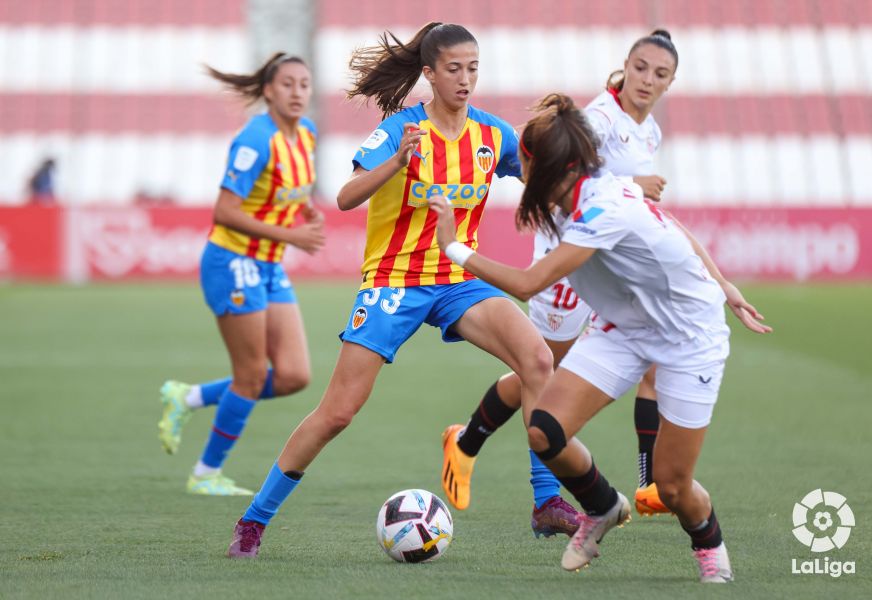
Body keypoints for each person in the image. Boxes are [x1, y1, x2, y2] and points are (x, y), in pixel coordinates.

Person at [225, 23, 553, 558]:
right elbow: (346, 196)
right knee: (338, 413)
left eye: (473, 68)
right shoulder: (399, 130)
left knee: (537, 360)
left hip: (457, 279)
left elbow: (544, 179)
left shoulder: (492, 135)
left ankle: (546, 500)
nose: (465, 78)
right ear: (429, 73)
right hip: (394, 282)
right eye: (453, 68)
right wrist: (398, 162)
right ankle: (254, 520)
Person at [429, 93, 772, 582]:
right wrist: (724, 282)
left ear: (549, 168)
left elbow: (528, 284)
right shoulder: (582, 192)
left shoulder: (601, 211)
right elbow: (670, 225)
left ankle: (708, 542)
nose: (519, 170)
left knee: (672, 487)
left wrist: (452, 247)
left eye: (524, 162)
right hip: (624, 327)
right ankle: (602, 506)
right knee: (545, 431)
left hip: (689, 338)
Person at [442, 29, 678, 525]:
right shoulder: (598, 120)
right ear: (626, 65)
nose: (646, 80)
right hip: (565, 260)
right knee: (541, 368)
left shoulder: (650, 130)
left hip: (610, 261)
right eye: (640, 68)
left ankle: (649, 484)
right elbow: (557, 173)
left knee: (654, 354)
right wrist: (634, 184)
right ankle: (468, 442)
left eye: (660, 74)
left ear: (670, 82)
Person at [157, 53, 326, 496]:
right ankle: (205, 473)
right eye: (287, 84)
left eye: (304, 84)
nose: (297, 92)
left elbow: (289, 190)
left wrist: (305, 211)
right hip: (233, 262)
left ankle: (189, 397)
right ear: (268, 90)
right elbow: (225, 211)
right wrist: (292, 234)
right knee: (250, 375)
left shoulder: (307, 133)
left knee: (293, 375)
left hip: (268, 264)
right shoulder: (255, 139)